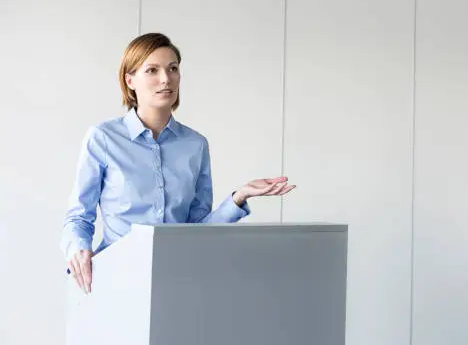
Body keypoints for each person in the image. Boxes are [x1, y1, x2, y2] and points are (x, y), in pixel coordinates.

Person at [60, 32, 295, 294]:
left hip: (178, 282)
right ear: (130, 80)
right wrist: (79, 250)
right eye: (152, 70)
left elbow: (198, 233)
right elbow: (79, 217)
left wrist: (239, 197)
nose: (166, 79)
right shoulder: (103, 139)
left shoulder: (196, 145)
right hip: (116, 280)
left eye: (173, 69)